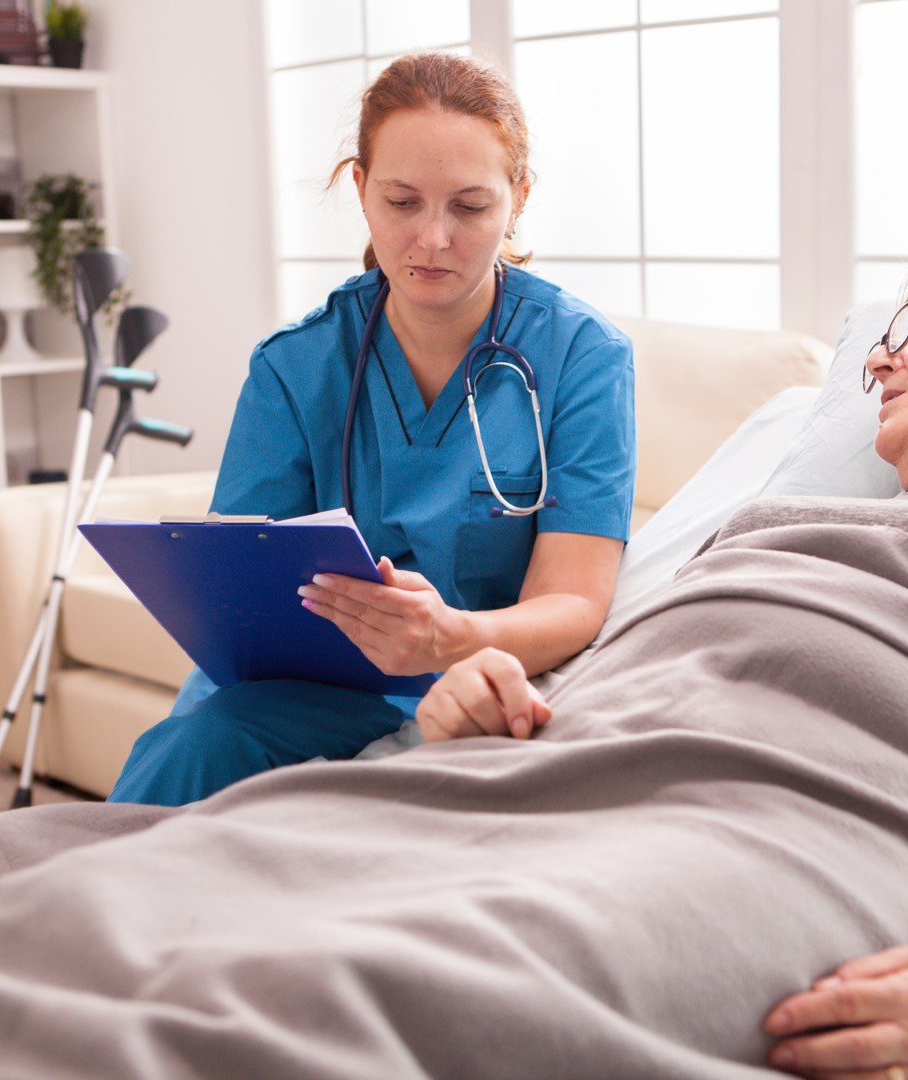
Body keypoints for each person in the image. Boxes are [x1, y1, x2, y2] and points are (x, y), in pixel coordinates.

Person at [0, 250, 908, 1080]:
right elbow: (626, 669)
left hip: (784, 823)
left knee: (348, 988)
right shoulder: (769, 520)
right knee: (70, 885)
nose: (879, 359)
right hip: (557, 780)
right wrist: (479, 703)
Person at [107, 53, 637, 806]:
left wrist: (449, 635)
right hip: (311, 689)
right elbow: (244, 597)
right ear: (359, 190)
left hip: (482, 674)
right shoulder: (296, 366)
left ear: (517, 198)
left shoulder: (582, 358)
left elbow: (574, 602)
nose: (432, 239)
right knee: (195, 748)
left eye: (470, 206)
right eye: (401, 201)